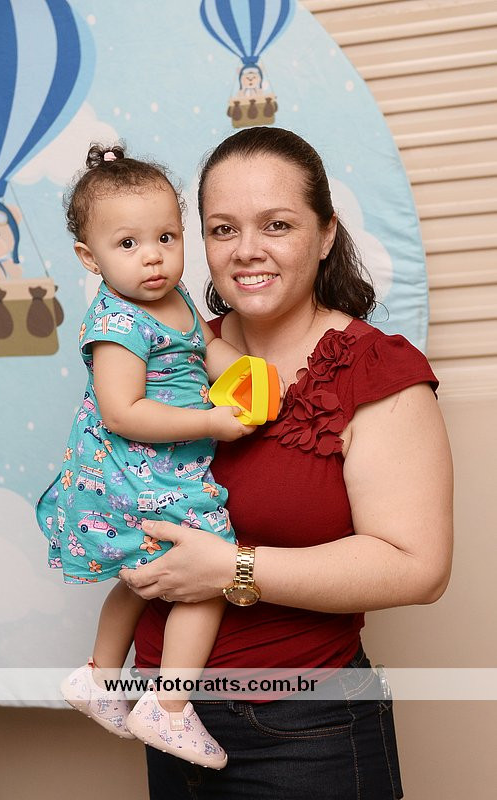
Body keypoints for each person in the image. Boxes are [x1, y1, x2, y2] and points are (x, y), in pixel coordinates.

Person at [122, 127, 454, 799]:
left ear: (326, 233)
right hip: (165, 717)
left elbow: (419, 568)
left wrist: (231, 568)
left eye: (276, 224)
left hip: (307, 729)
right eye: (223, 229)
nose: (246, 250)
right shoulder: (167, 354)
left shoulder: (374, 370)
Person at [36, 143, 263, 770]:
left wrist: (246, 375)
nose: (154, 256)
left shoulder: (176, 299)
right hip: (132, 474)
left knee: (141, 578)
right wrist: (212, 421)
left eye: (166, 237)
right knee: (209, 574)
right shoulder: (117, 324)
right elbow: (122, 412)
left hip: (161, 470)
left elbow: (205, 353)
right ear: (90, 258)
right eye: (128, 244)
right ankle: (168, 709)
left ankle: (100, 677)